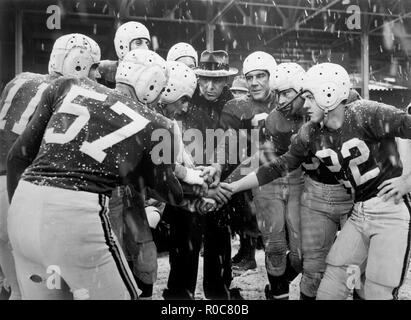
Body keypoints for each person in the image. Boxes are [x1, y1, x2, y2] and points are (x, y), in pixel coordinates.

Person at [6, 49, 185, 300]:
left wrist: (18, 212)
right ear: (151, 84)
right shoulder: (158, 123)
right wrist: (193, 183)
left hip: (24, 208)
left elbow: (17, 157)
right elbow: (171, 192)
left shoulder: (67, 86)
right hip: (76, 216)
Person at [223, 62, 411, 300]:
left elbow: (406, 128)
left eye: (310, 97)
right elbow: (277, 165)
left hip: (388, 209)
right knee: (330, 283)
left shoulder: (366, 112)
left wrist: (408, 180)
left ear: (328, 93)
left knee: (377, 288)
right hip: (359, 211)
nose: (306, 104)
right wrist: (233, 186)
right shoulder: (310, 132)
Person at [0, 33, 100, 300]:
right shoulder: (68, 93)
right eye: (92, 67)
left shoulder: (18, 80)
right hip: (19, 188)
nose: (96, 76)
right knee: (51, 291)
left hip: (2, 185)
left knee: (17, 289)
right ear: (77, 63)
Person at [162, 50, 241, 300]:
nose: (208, 86)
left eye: (216, 81)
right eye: (204, 79)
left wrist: (222, 181)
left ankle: (219, 295)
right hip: (186, 183)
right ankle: (179, 296)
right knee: (184, 244)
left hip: (220, 185)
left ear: (225, 80)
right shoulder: (185, 97)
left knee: (219, 245)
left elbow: (240, 146)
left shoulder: (235, 104)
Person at [98, 21, 151, 88]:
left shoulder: (150, 75)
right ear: (122, 45)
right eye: (138, 43)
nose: (146, 48)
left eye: (147, 43)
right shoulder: (103, 69)